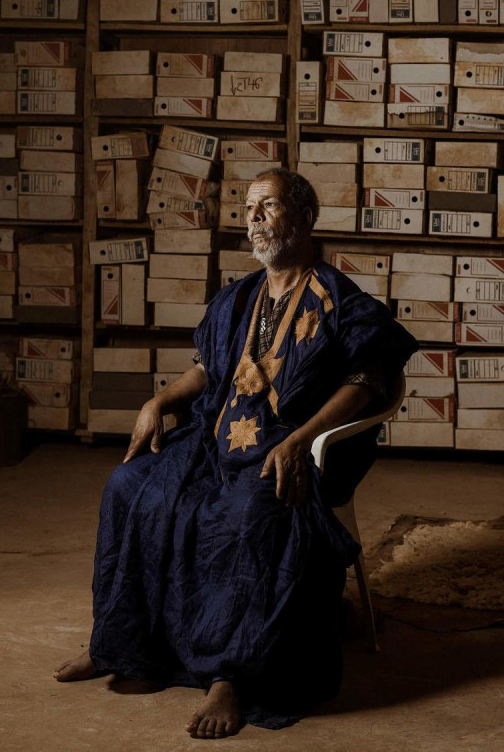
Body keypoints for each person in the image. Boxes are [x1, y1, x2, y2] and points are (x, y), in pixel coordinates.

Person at [53, 168, 417, 739]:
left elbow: (366, 382)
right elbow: (206, 370)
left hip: (287, 445)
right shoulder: (238, 297)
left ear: (304, 218)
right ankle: (118, 644)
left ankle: (232, 674)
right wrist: (158, 401)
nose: (254, 218)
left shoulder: (340, 301)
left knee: (252, 511)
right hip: (215, 437)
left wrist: (302, 440)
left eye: (268, 206)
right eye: (248, 208)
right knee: (130, 486)